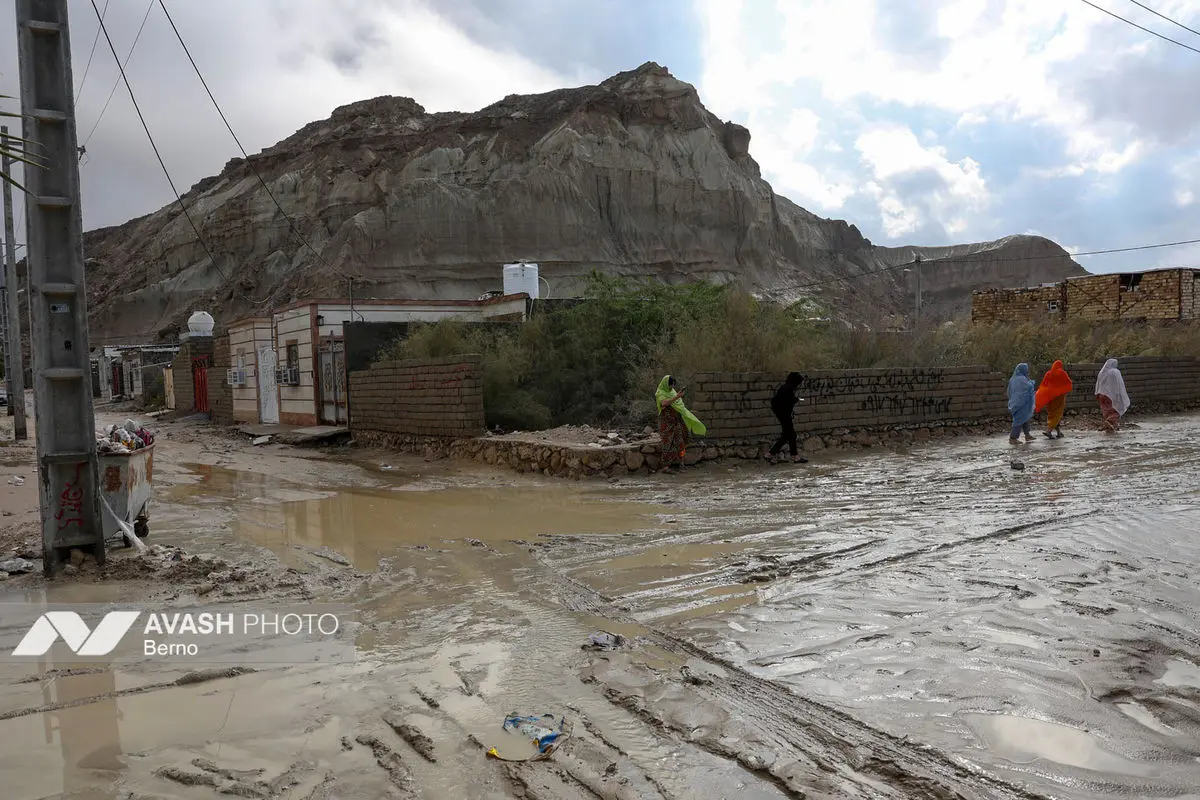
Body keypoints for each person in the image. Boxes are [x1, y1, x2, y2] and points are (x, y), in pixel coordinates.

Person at [655, 375, 706, 473]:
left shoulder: (673, 392)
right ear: (666, 384)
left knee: (681, 442)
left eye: (673, 385)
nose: (672, 388)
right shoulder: (660, 393)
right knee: (667, 444)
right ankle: (665, 467)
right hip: (666, 424)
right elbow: (664, 403)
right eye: (671, 386)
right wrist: (677, 397)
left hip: (676, 421)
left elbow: (679, 404)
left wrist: (679, 396)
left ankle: (681, 464)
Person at [767, 371, 809, 464]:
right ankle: (794, 456)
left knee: (787, 435)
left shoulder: (786, 387)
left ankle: (771, 454)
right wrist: (796, 400)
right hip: (784, 415)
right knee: (791, 435)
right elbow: (787, 401)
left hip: (783, 414)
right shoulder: (788, 388)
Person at [1034, 360, 1073, 439]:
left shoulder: (1048, 374)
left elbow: (1044, 385)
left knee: (1052, 413)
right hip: (1059, 397)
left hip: (1050, 397)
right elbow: (1068, 382)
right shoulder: (1062, 373)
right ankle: (1049, 431)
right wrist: (1062, 390)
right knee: (1057, 414)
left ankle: (1059, 432)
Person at [1095, 358, 1130, 432]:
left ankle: (1110, 426)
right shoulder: (1115, 372)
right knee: (1116, 409)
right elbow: (1119, 384)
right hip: (1111, 395)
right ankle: (1110, 421)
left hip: (1101, 394)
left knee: (1106, 410)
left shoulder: (1102, 372)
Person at [1007, 363, 1036, 444]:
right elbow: (1029, 387)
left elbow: (1009, 391)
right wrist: (1031, 382)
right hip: (1022, 403)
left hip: (1015, 402)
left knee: (1025, 419)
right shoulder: (1022, 379)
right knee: (1018, 420)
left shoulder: (1012, 379)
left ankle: (1027, 435)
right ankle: (1013, 438)